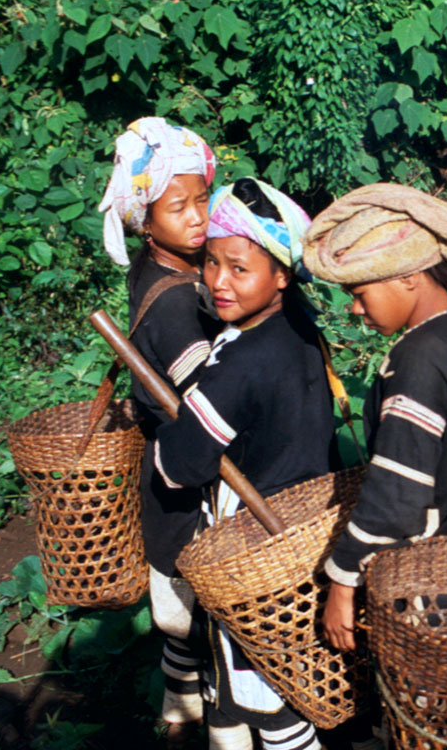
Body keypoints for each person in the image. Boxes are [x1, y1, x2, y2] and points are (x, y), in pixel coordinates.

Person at [301, 183, 447, 654]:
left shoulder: (417, 358)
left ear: (408, 277)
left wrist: (342, 580)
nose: (355, 309)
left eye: (360, 292)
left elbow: (398, 496)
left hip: (434, 587)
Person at [153, 178, 333, 750]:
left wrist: (162, 435)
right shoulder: (301, 332)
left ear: (281, 274)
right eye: (211, 263)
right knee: (293, 669)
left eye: (239, 268)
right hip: (307, 528)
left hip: (252, 547)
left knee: (269, 700)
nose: (218, 281)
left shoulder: (239, 364)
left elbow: (181, 465)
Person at [97, 116, 221, 744]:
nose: (198, 217)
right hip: (188, 471)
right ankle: (208, 717)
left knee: (183, 615)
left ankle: (177, 710)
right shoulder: (176, 303)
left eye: (203, 199)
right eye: (178, 207)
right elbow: (207, 402)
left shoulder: (160, 269)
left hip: (168, 466)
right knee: (200, 605)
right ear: (145, 221)